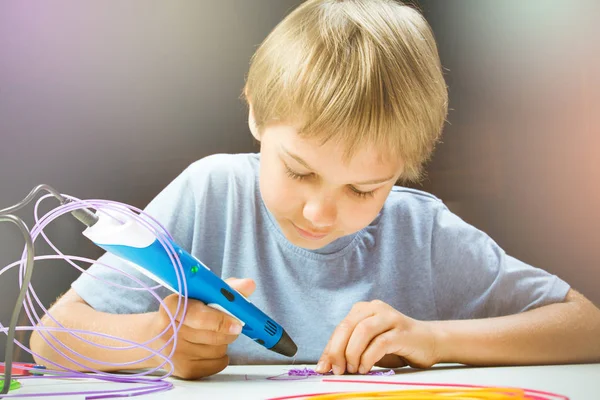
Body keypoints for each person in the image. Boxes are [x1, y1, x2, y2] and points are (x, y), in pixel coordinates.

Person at [30, 0, 600, 380]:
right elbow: (51, 340)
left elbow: (586, 326)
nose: (319, 212)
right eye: (300, 172)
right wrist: (158, 339)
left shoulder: (418, 229)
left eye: (365, 189)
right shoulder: (210, 194)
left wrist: (435, 338)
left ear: (404, 167)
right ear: (256, 112)